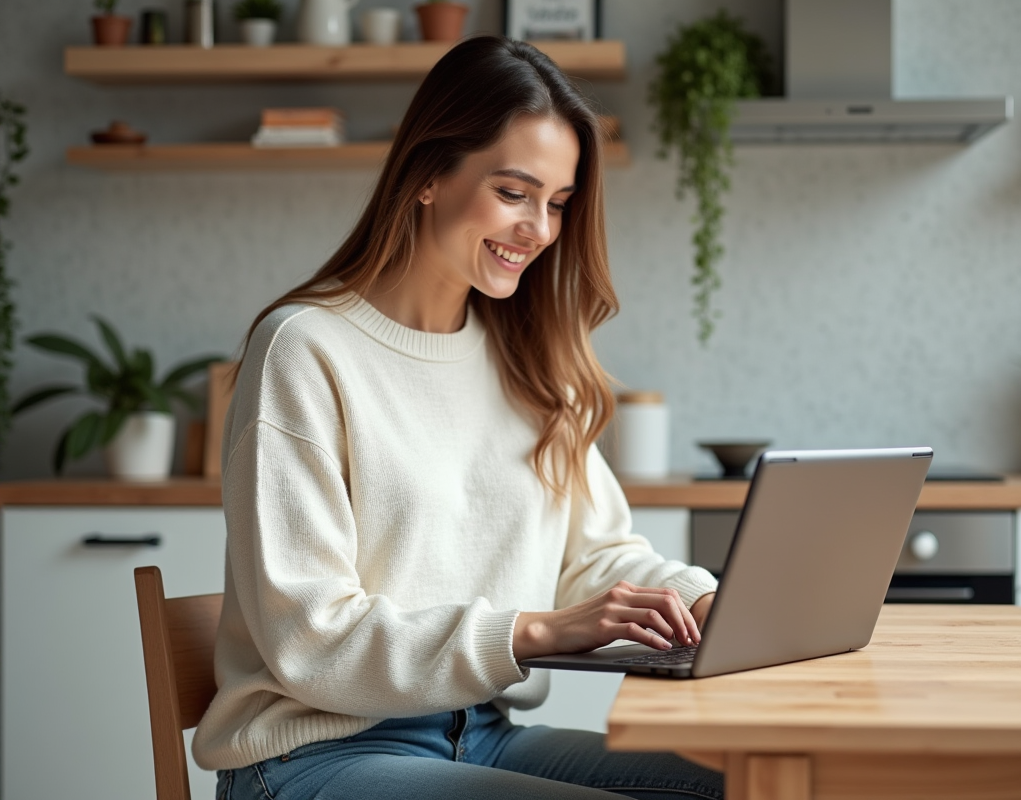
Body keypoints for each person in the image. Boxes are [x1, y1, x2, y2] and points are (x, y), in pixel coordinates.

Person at [192, 35, 723, 800]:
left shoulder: (531, 361)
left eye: (558, 204)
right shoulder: (306, 350)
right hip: (314, 756)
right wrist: (534, 631)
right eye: (514, 193)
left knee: (746, 784)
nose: (539, 230)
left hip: (481, 736)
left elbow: (597, 557)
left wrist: (704, 601)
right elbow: (312, 636)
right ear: (429, 176)